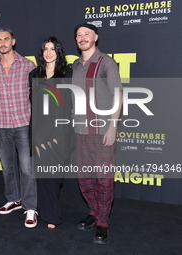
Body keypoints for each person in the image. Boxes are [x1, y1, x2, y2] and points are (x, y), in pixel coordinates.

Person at [71, 23, 123, 244]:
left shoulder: (106, 63)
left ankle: (103, 222)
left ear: (96, 37)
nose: (82, 38)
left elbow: (118, 95)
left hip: (102, 132)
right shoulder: (75, 65)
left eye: (87, 34)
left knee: (103, 180)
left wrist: (113, 126)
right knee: (85, 179)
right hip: (79, 131)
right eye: (79, 35)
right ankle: (93, 211)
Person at [0, 27, 37, 228]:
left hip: (24, 123)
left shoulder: (28, 65)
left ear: (13, 41)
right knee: (8, 168)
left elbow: (38, 94)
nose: (3, 43)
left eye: (6, 39)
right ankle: (14, 199)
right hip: (2, 123)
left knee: (27, 168)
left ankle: (30, 206)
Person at [29, 36, 74, 229]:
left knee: (54, 176)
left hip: (59, 132)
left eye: (52, 49)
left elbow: (71, 105)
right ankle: (47, 212)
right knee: (42, 176)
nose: (48, 52)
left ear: (58, 52)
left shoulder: (67, 73)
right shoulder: (35, 74)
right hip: (39, 131)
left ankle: (53, 214)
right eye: (45, 49)